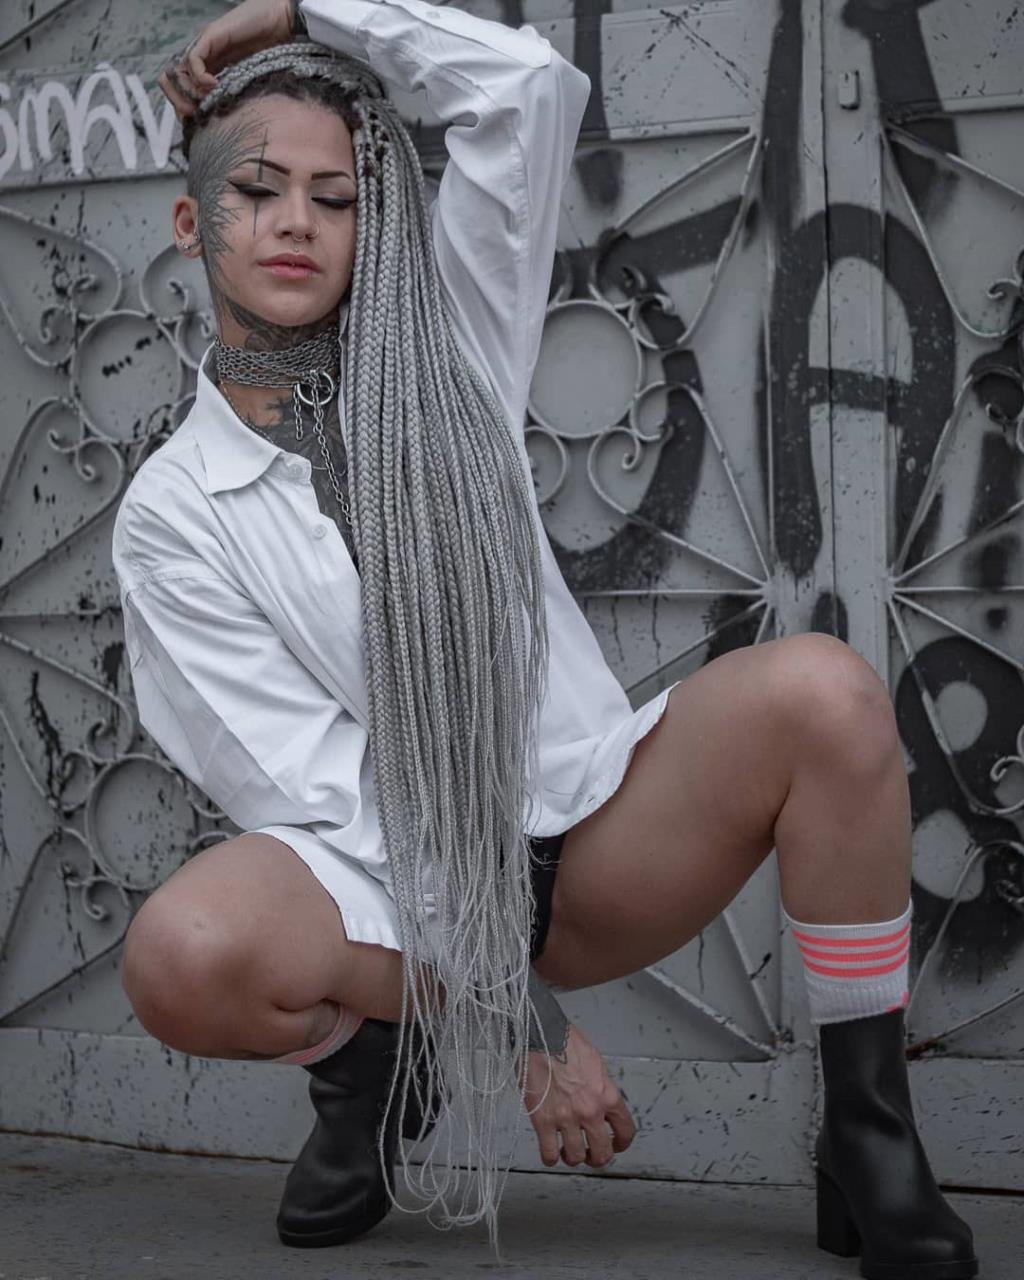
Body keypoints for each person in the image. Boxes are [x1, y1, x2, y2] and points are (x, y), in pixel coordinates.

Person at [109, 0, 978, 1274]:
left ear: (369, 219)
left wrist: (303, 11)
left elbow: (520, 88)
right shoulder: (173, 515)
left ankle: (867, 1130)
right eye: (256, 190)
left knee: (829, 692)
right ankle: (371, 1067)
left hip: (588, 834)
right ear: (193, 222)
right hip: (398, 909)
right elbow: (322, 792)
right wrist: (521, 1019)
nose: (296, 221)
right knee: (182, 954)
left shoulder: (451, 342)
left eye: (335, 197)